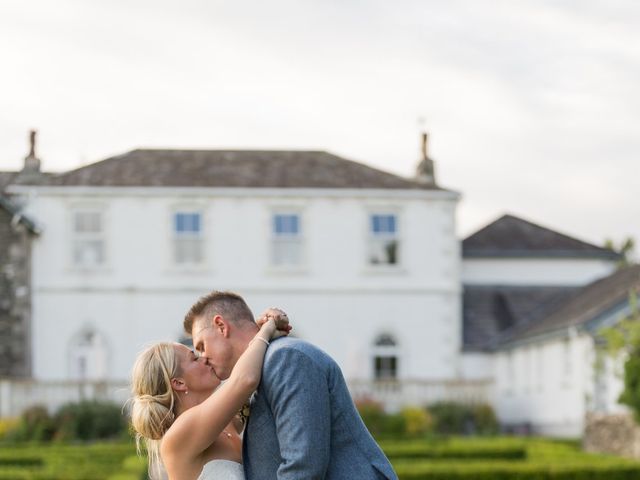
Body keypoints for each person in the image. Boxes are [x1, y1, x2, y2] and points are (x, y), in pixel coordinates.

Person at [185, 291, 398, 480]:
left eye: (202, 346)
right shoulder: (262, 370)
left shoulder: (285, 358)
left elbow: (303, 467)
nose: (203, 357)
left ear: (221, 326)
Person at [130, 307, 290, 480]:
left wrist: (253, 332)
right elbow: (245, 380)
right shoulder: (178, 435)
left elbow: (244, 374)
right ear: (178, 383)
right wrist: (266, 330)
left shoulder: (226, 422)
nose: (204, 358)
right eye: (194, 358)